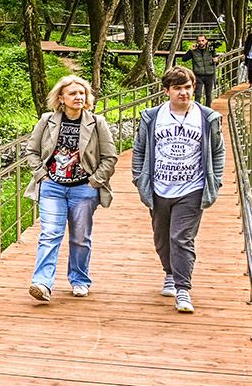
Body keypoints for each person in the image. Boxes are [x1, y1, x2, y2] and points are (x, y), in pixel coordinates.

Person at [132, 65, 225, 314]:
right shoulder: (152, 117)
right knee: (162, 239)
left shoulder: (207, 118)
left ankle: (183, 290)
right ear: (167, 91)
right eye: (177, 88)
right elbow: (139, 149)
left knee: (181, 238)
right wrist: (138, 179)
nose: (183, 93)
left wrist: (215, 182)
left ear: (194, 88)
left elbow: (218, 151)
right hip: (159, 188)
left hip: (192, 188)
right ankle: (170, 273)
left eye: (187, 87)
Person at [24, 75, 118, 302]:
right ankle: (42, 283)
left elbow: (110, 156)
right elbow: (31, 151)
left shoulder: (97, 123)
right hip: (52, 187)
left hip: (84, 190)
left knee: (80, 238)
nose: (78, 97)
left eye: (82, 93)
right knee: (50, 234)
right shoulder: (47, 121)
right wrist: (41, 175)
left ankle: (79, 280)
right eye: (72, 93)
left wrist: (94, 181)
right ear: (61, 98)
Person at [182, 34, 218, 107]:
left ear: (206, 41)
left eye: (203, 41)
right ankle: (197, 109)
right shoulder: (194, 51)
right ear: (197, 42)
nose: (201, 43)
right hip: (198, 75)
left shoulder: (211, 50)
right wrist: (190, 50)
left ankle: (208, 110)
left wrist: (216, 61)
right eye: (199, 41)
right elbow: (184, 59)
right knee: (198, 95)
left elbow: (216, 61)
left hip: (210, 74)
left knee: (208, 94)